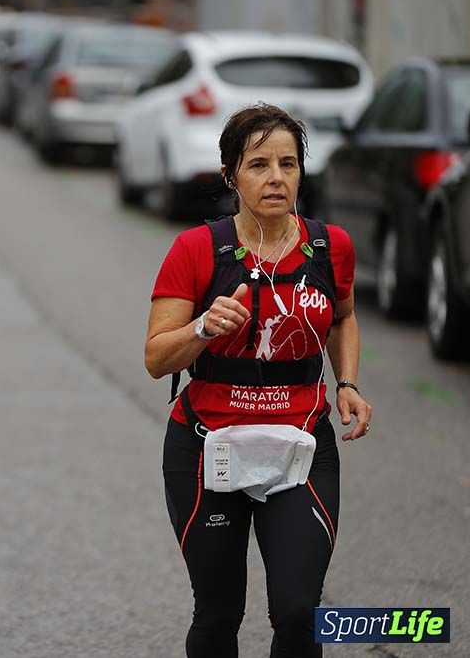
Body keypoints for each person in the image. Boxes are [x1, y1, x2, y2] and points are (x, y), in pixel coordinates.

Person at [144, 103, 373, 658]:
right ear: (230, 176)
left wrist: (347, 382)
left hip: (301, 447)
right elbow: (156, 357)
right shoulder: (196, 249)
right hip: (207, 447)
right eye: (258, 165)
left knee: (299, 612)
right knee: (219, 611)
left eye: (288, 164)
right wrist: (203, 326)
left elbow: (342, 316)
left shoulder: (329, 245)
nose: (276, 177)